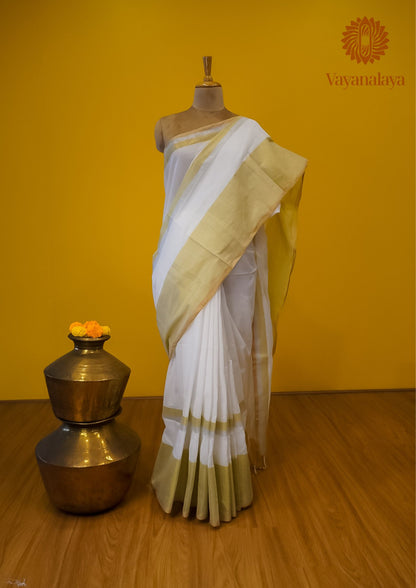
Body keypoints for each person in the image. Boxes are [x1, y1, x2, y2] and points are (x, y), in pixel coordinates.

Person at [151, 58, 307, 527]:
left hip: (235, 263)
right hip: (183, 260)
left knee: (232, 359)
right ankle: (188, 471)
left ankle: (224, 468)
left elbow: (269, 191)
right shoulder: (165, 126)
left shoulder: (249, 134)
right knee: (192, 360)